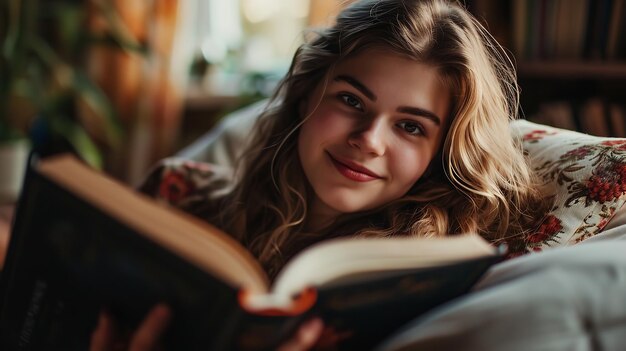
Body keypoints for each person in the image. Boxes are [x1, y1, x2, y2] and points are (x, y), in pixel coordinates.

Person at [91, 0, 549, 349]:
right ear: (307, 96)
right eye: (351, 100)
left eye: (410, 127)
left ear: (441, 153)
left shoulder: (440, 286)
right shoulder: (178, 198)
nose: (369, 140)